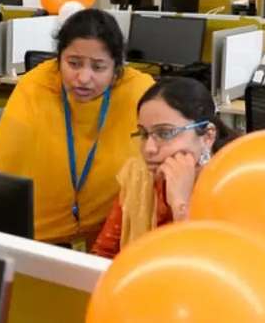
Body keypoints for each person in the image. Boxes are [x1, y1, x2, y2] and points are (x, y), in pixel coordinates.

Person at [0, 9, 155, 247]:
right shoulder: (36, 87)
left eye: (98, 67)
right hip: (43, 235)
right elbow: (3, 164)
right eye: (73, 63)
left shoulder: (139, 92)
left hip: (111, 230)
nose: (83, 77)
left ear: (116, 69)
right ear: (58, 59)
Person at [91, 77, 237, 258]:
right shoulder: (139, 177)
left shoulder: (231, 189)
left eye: (165, 133)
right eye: (144, 134)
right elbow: (103, 253)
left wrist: (181, 205)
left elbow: (207, 268)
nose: (149, 149)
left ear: (207, 136)